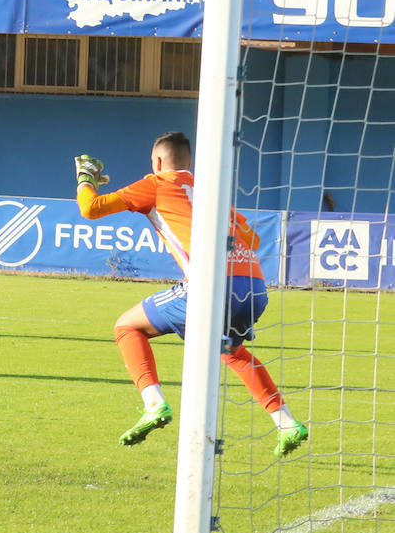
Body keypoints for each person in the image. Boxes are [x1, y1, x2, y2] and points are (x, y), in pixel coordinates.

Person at [74, 133, 308, 456]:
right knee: (231, 353)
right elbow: (252, 240)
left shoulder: (155, 183)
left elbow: (90, 208)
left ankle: (154, 404)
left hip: (213, 287)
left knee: (126, 327)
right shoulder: (210, 192)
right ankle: (287, 423)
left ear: (157, 162)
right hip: (254, 288)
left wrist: (86, 176)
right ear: (189, 163)